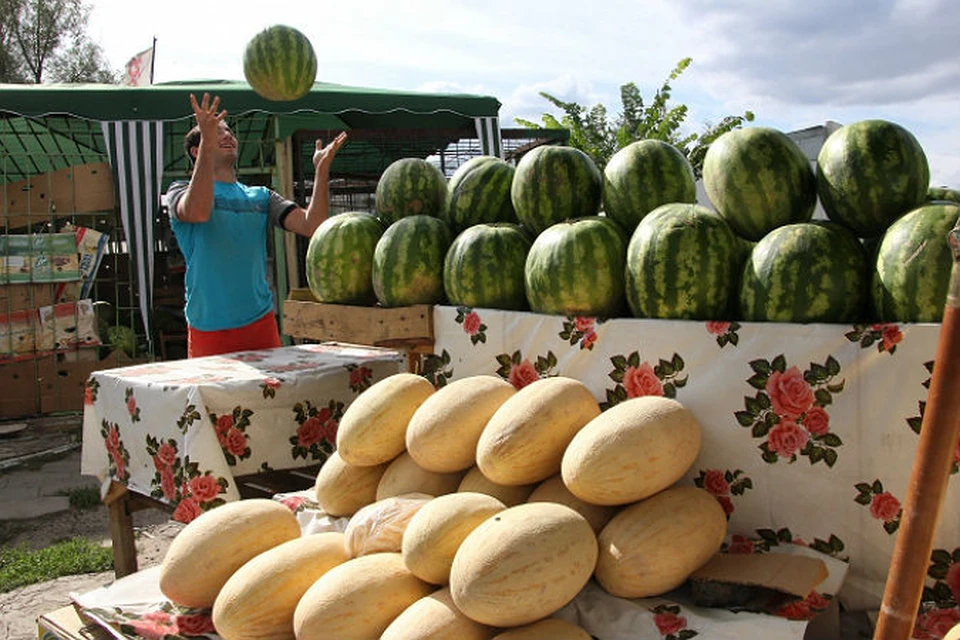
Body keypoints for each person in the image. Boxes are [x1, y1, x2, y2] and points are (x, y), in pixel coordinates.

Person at [165, 93, 347, 358]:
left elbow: (312, 225)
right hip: (209, 330)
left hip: (260, 324)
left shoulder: (261, 196)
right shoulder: (178, 191)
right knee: (215, 401)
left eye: (229, 131)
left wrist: (321, 171)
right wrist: (206, 141)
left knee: (271, 400)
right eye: (218, 132)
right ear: (196, 150)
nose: (228, 136)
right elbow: (198, 211)